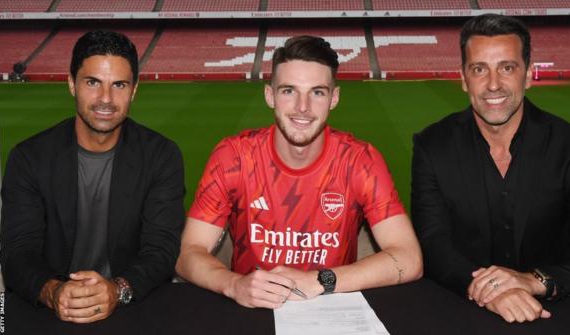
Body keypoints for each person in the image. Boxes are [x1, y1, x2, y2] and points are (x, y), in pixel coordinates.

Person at [176, 35, 423, 309]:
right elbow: (188, 254)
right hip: (252, 309)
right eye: (289, 91)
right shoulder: (234, 157)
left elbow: (409, 258)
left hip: (332, 307)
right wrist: (234, 284)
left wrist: (320, 280)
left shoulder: (359, 160)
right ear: (270, 95)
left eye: (317, 92)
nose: (302, 107)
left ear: (334, 98)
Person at [411, 13, 570, 323]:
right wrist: (491, 289)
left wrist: (531, 281)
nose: (493, 84)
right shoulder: (432, 146)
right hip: (463, 307)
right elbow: (432, 245)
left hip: (555, 311)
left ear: (529, 75)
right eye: (479, 69)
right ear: (463, 79)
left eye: (507, 68)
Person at [0, 30, 185, 323]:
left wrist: (118, 289)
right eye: (92, 82)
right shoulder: (28, 158)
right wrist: (54, 291)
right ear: (72, 84)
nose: (106, 99)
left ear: (134, 90)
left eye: (119, 85)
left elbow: (161, 248)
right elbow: (17, 252)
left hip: (132, 304)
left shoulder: (162, 156)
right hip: (51, 309)